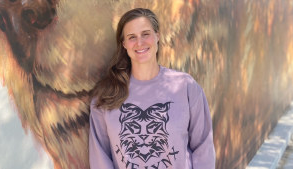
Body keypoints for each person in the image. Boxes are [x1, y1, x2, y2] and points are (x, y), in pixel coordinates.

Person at [89, 8, 215, 169]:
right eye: (132, 37)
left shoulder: (185, 87)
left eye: (146, 34)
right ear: (124, 44)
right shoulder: (107, 95)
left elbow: (203, 147)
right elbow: (100, 156)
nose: (140, 43)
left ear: (158, 36)